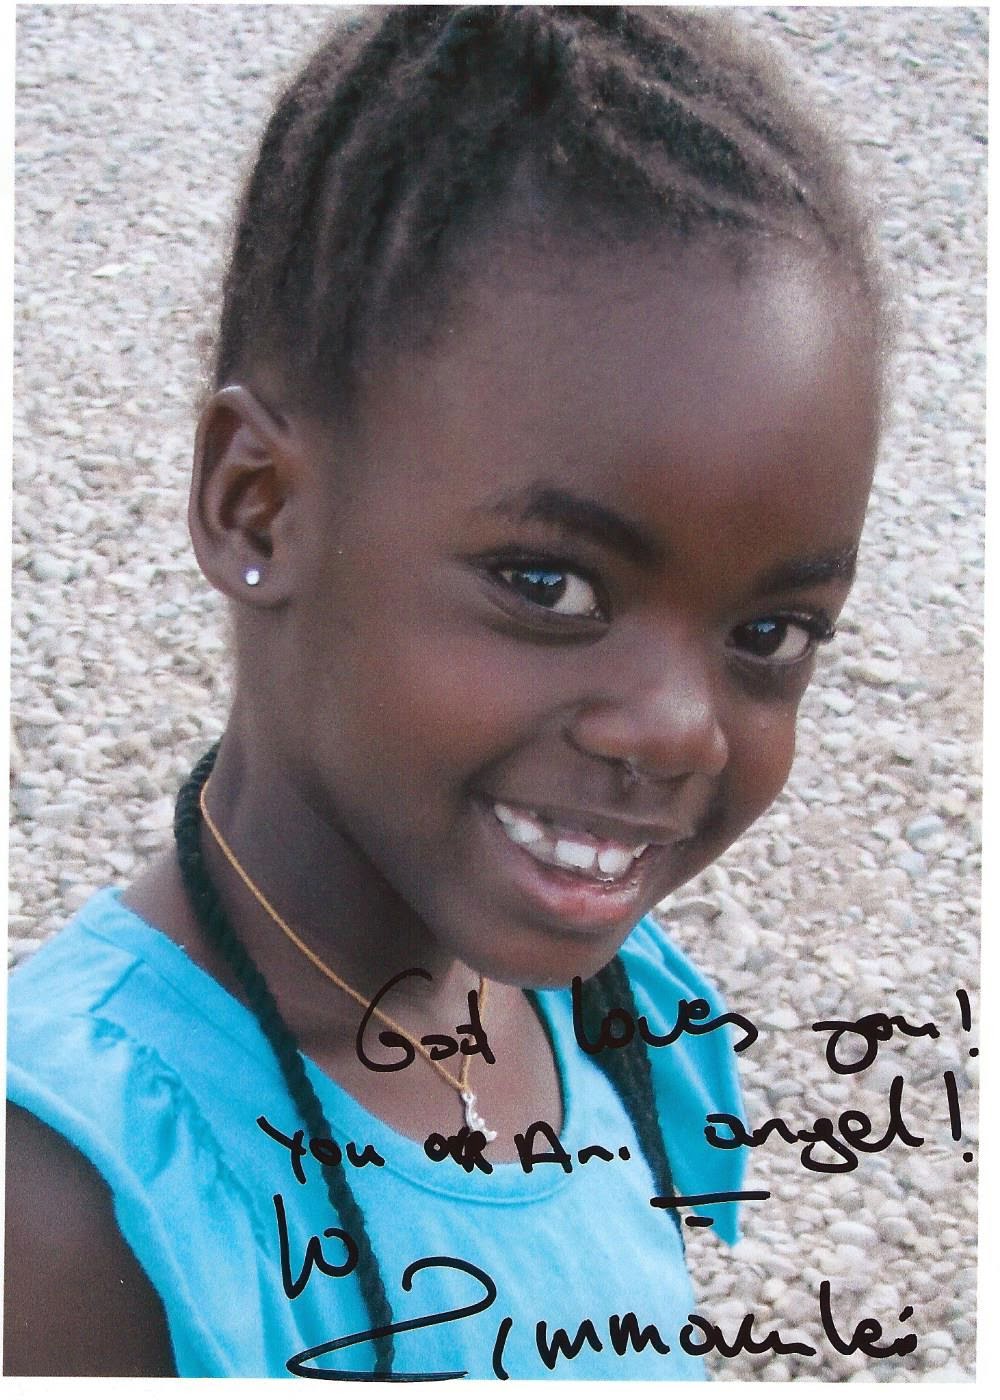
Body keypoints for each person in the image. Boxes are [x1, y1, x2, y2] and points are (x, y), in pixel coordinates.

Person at [5, 5, 887, 1380]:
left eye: (769, 631)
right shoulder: (76, 1209)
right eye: (549, 585)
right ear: (257, 507)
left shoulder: (603, 1002)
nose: (678, 729)